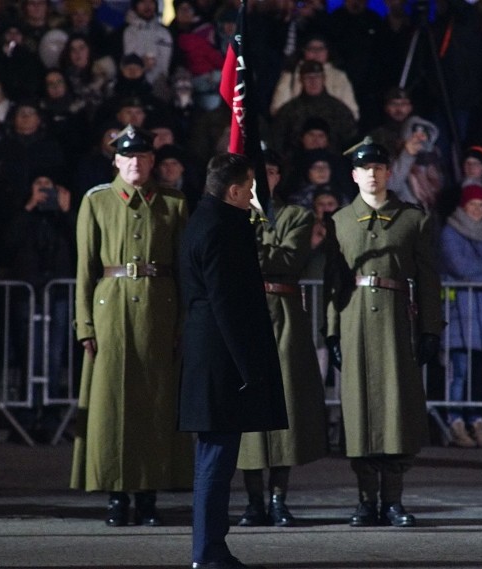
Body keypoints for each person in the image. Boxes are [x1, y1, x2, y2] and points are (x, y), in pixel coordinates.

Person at [70, 124, 193, 526]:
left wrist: (184, 321)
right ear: (116, 161)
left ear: (153, 161)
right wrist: (84, 324)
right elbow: (85, 269)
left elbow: (185, 270)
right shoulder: (98, 201)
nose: (135, 163)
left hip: (159, 308)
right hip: (111, 309)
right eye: (128, 156)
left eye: (143, 156)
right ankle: (116, 494)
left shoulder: (173, 203)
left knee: (155, 404)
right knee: (112, 405)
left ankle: (149, 493)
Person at [323, 137, 442, 528]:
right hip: (354, 318)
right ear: (354, 174)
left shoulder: (413, 218)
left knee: (396, 410)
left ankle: (392, 500)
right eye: (364, 169)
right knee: (359, 412)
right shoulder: (339, 221)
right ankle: (364, 500)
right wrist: (332, 333)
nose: (372, 175)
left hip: (395, 322)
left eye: (379, 168)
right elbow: (334, 284)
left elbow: (427, 279)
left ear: (389, 173)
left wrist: (429, 329)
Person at [178, 152, 288, 569]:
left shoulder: (204, 220)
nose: (253, 197)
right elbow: (226, 302)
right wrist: (248, 367)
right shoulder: (222, 228)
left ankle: (211, 547)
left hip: (212, 356)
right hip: (222, 360)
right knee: (216, 460)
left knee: (215, 457)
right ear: (235, 189)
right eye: (250, 189)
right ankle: (207, 551)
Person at [235, 153, 327, 528]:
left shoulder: (297, 216)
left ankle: (278, 498)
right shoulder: (236, 216)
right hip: (246, 313)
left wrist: (250, 251)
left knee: (285, 404)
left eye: (271, 171)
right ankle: (254, 499)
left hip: (285, 313)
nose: (265, 177)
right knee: (248, 408)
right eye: (258, 172)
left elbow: (290, 258)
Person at [440, 184, 482, 448]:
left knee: (478, 373)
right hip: (459, 312)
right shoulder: (450, 232)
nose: (478, 210)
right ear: (463, 207)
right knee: (458, 372)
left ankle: (477, 421)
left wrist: (478, 277)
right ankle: (456, 421)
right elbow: (459, 267)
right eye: (473, 205)